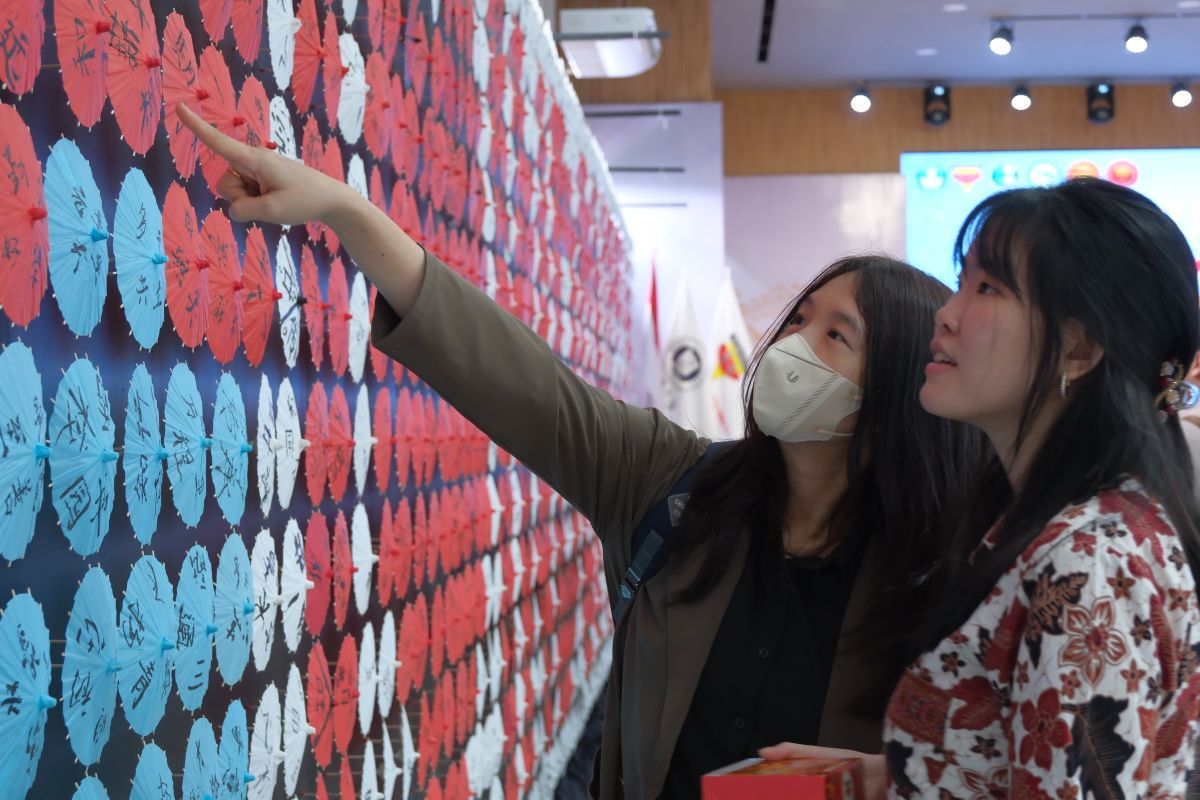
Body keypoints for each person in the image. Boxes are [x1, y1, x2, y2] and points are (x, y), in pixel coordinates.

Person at [174, 104, 983, 798]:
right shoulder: (676, 488)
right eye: (800, 318)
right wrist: (346, 210)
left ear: (898, 400)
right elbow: (515, 378)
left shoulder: (937, 580)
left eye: (835, 336)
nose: (793, 345)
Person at [764, 178, 1200, 798]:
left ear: (1076, 349)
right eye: (963, 282)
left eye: (988, 288)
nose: (947, 313)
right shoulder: (1047, 527)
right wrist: (890, 776)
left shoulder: (1089, 563)